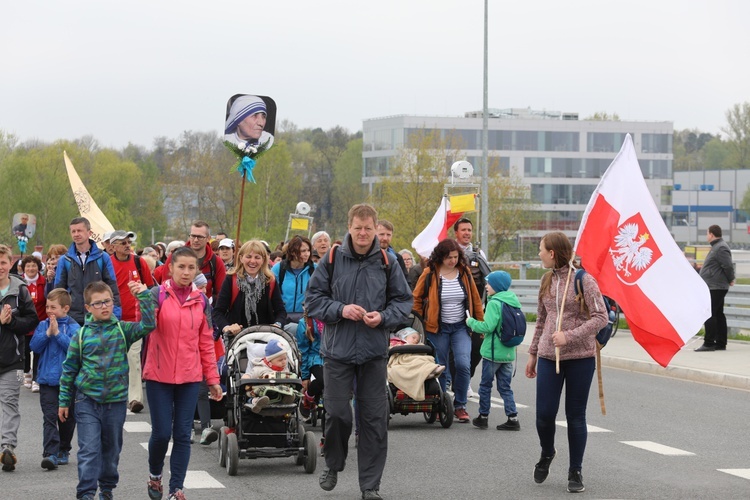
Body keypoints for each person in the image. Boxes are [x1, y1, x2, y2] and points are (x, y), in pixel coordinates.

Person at [306, 203, 413, 500]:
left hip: (373, 353)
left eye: (368, 228)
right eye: (358, 228)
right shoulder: (331, 259)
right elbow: (313, 300)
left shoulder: (387, 261)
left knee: (375, 421)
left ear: (375, 228)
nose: (363, 233)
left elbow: (404, 302)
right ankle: (334, 464)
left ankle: (370, 486)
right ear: (350, 227)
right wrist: (341, 309)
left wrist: (384, 317)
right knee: (339, 415)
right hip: (337, 352)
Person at [525, 231, 608, 494]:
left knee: (575, 417)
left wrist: (569, 336)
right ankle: (548, 452)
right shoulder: (546, 280)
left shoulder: (585, 280)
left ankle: (576, 470)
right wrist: (532, 352)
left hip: (581, 359)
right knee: (544, 416)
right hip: (549, 357)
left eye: (541, 249)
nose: (538, 254)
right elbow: (541, 319)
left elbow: (600, 317)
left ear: (552, 253)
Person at [58, 280, 154, 499]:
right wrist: (64, 401)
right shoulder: (81, 335)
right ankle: (86, 494)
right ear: (88, 308)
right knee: (89, 450)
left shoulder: (123, 330)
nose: (104, 306)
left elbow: (148, 326)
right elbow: (69, 369)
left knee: (111, 451)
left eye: (108, 301)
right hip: (86, 401)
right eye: (98, 303)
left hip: (116, 402)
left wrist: (144, 297)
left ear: (113, 302)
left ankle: (107, 489)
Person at [143, 246, 222, 500]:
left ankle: (177, 488)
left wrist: (212, 379)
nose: (186, 272)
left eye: (191, 268)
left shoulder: (201, 302)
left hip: (190, 377)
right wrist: (143, 302)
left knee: (182, 435)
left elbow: (206, 344)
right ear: (171, 268)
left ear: (197, 270)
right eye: (181, 267)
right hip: (158, 375)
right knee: (162, 433)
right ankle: (155, 476)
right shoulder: (157, 295)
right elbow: (143, 327)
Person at [412, 238, 484, 423]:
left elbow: (475, 299)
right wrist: (419, 322)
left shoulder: (464, 272)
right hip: (437, 328)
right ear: (441, 256)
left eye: (455, 256)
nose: (452, 260)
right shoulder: (430, 272)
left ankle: (460, 405)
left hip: (461, 326)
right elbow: (416, 298)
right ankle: (440, 403)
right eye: (449, 257)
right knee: (441, 367)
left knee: (463, 364)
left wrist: (481, 324)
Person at [29, 288, 81, 470]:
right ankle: (49, 453)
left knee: (66, 418)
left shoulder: (74, 327)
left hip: (68, 382)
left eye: (54, 307)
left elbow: (75, 350)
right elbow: (34, 346)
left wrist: (58, 334)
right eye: (47, 307)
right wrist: (48, 333)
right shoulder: (43, 325)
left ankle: (64, 449)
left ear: (65, 308)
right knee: (49, 416)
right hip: (47, 381)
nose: (49, 311)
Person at [0, 244, 41, 472]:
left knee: (9, 404)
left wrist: (11, 323)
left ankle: (8, 448)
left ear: (10, 264)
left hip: (12, 360)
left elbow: (32, 321)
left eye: (4, 263)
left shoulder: (20, 290)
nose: (0, 267)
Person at [466, 271, 522, 431]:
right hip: (508, 352)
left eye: (489, 283)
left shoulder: (494, 303)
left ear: (497, 286)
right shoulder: (513, 301)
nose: (486, 286)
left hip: (492, 353)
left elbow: (487, 326)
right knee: (505, 387)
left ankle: (483, 417)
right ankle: (513, 418)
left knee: (485, 385)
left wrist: (471, 322)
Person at [109, 230, 155, 414]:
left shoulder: (139, 262)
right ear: (112, 246)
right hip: (113, 320)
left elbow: (151, 288)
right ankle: (114, 394)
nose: (127, 246)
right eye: (123, 243)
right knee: (114, 358)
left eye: (129, 242)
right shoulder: (106, 263)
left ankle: (135, 398)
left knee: (134, 358)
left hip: (136, 320)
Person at [54, 217, 122, 325]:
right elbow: (58, 291)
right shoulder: (64, 260)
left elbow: (112, 287)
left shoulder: (103, 257)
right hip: (73, 319)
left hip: (98, 316)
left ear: (89, 233)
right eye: (73, 231)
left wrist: (115, 315)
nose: (76, 234)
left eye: (79, 230)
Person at [213, 240, 287, 338]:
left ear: (263, 260)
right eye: (248, 257)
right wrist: (227, 327)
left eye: (257, 257)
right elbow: (218, 311)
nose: (252, 261)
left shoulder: (270, 281)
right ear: (241, 258)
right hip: (237, 339)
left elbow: (280, 311)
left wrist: (277, 325)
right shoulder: (231, 280)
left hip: (265, 338)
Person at [452, 217, 492, 396]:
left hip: (476, 309)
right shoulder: (449, 252)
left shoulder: (478, 254)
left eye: (469, 230)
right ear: (456, 233)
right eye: (463, 230)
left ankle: (465, 380)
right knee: (453, 349)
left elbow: (488, 277)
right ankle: (452, 381)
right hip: (453, 309)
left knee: (477, 347)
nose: (467, 233)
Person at [156, 221, 226, 300]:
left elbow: (221, 293)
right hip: (176, 306)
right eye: (193, 236)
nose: (195, 240)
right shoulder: (174, 257)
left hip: (205, 308)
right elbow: (166, 286)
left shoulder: (216, 262)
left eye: (200, 237)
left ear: (208, 238)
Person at [695, 225, 736, 352]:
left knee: (710, 313)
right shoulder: (716, 247)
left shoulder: (721, 247)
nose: (706, 235)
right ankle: (720, 343)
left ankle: (709, 343)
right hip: (714, 286)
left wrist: (731, 279)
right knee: (718, 314)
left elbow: (728, 266)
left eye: (707, 233)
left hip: (716, 286)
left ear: (711, 234)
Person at [271, 235, 315, 335]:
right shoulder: (278, 269)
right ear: (292, 252)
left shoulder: (315, 270)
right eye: (303, 251)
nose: (307, 254)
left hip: (306, 319)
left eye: (308, 250)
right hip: (281, 318)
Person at [387, 327, 444, 401]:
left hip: (416, 357)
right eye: (413, 337)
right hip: (401, 360)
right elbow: (390, 351)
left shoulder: (419, 345)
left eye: (417, 339)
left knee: (423, 360)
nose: (415, 340)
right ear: (404, 336)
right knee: (396, 369)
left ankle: (431, 369)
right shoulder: (397, 342)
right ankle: (428, 372)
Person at [242, 338, 297, 412]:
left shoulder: (285, 370)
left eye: (285, 359)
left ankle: (286, 399)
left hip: (279, 392)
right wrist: (247, 377)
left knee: (287, 389)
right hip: (262, 393)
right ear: (270, 360)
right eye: (280, 360)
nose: (284, 362)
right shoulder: (261, 368)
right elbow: (251, 374)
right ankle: (257, 403)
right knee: (253, 396)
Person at [21, 254, 47, 392]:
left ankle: (37, 379)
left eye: (34, 266)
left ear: (38, 267)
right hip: (25, 323)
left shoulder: (45, 282)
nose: (31, 268)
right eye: (28, 266)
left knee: (38, 351)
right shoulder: (19, 283)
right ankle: (27, 372)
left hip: (40, 322)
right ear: (24, 268)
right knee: (25, 350)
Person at [296, 312, 324, 419]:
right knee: (323, 380)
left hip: (334, 359)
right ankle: (308, 396)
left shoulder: (335, 319)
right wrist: (305, 376)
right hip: (316, 358)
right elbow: (303, 351)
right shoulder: (305, 323)